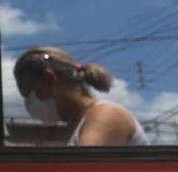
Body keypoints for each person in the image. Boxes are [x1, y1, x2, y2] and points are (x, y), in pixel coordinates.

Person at [13, 46, 149, 146]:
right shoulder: (78, 127)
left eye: (30, 94)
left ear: (49, 79)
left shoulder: (106, 114)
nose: (29, 105)